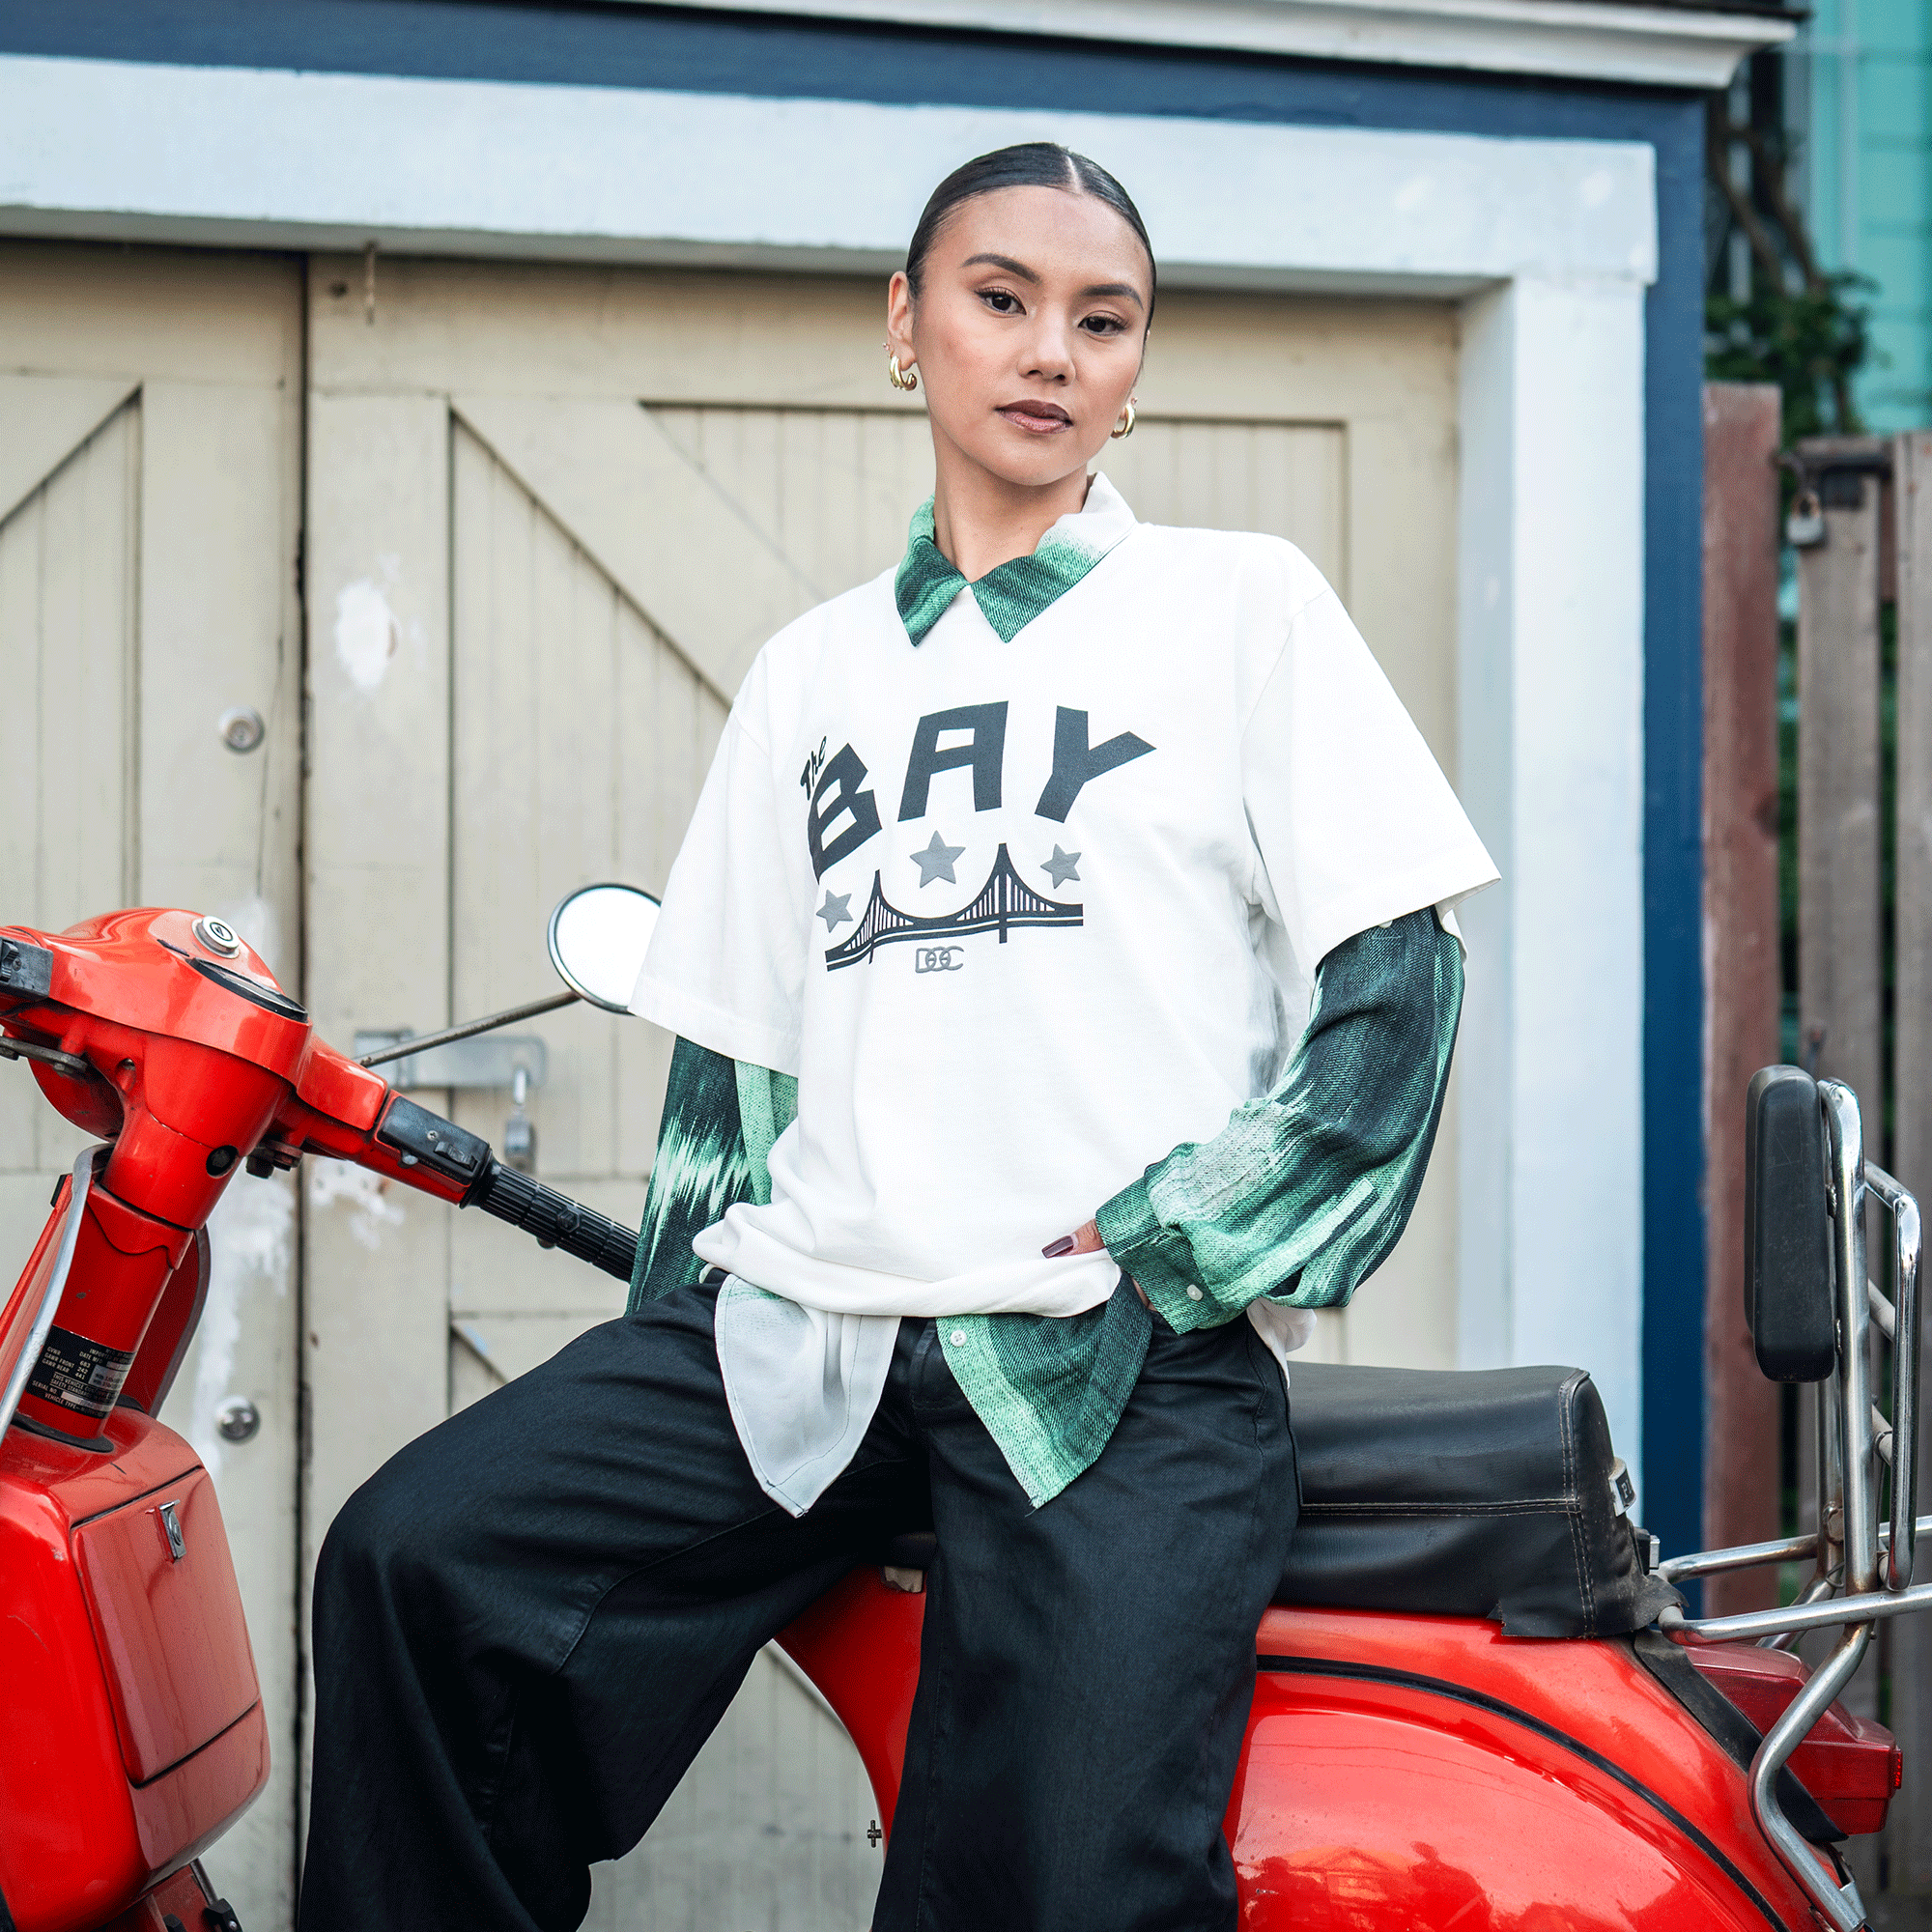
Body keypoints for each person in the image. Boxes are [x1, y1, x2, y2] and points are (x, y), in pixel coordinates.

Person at [298, 142, 1497, 1932]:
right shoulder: (813, 673)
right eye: (1000, 299)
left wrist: (1186, 1234)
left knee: (1063, 1883)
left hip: (1111, 1352)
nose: (1047, 353)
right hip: (812, 1327)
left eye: (1102, 321)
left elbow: (1397, 984)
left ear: (1136, 368)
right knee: (417, 1561)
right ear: (906, 324)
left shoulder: (1238, 610)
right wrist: (680, 1326)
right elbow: (737, 1073)